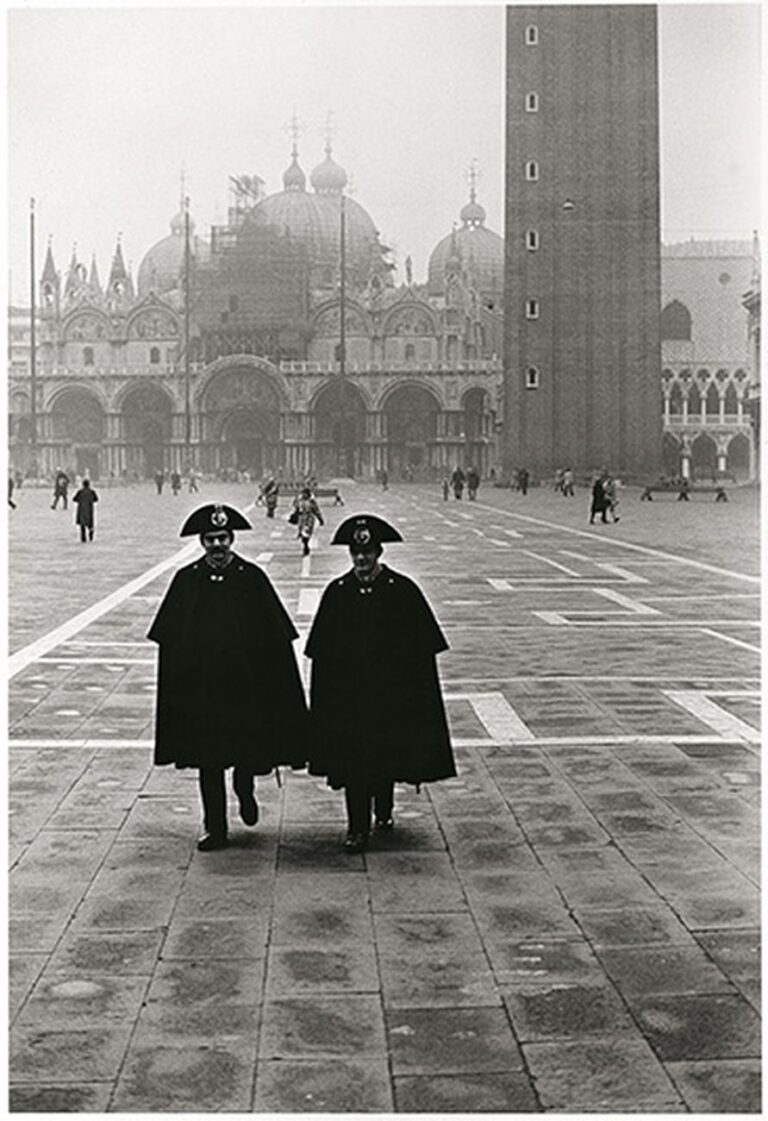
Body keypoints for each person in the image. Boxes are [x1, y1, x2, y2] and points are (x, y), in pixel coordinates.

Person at [147, 503, 308, 851]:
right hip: (204, 693)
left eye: (222, 538)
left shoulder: (251, 577)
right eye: (210, 540)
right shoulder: (186, 580)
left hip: (244, 690)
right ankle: (215, 827)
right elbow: (171, 641)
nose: (217, 546)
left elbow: (274, 638)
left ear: (231, 539)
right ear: (202, 542)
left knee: (246, 754)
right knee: (208, 761)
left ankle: (245, 789)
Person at [305, 514, 456, 853]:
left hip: (391, 695)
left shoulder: (401, 590)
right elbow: (321, 653)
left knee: (385, 755)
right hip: (352, 698)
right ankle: (357, 827)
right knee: (356, 762)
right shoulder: (338, 592)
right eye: (357, 554)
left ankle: (384, 811)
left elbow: (422, 651)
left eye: (368, 553)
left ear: (378, 553)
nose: (362, 559)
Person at [291, 486, 324, 557]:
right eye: (303, 493)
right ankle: (305, 545)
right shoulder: (300, 500)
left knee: (306, 533)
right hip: (301, 519)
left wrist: (320, 519)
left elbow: (316, 510)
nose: (303, 495)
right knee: (302, 533)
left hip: (309, 519)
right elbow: (295, 507)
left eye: (305, 493)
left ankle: (306, 547)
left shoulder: (312, 501)